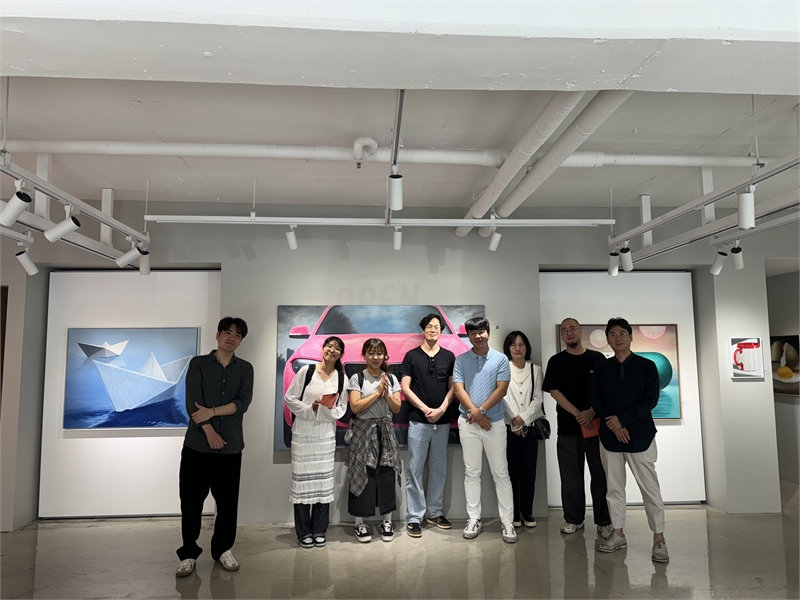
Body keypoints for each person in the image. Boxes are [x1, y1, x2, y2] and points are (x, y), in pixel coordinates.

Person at [176, 317, 254, 577]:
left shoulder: (245, 369)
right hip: (197, 446)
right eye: (228, 332)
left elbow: (242, 403)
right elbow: (192, 403)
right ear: (218, 335)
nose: (232, 338)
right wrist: (209, 430)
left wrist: (211, 412)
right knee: (191, 503)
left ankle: (222, 549)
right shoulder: (198, 364)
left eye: (237, 335)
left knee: (228, 505)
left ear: (241, 341)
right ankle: (188, 553)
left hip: (230, 447)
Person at [590, 317, 669, 563]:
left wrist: (622, 420)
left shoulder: (647, 366)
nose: (618, 338)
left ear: (631, 336)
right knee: (614, 489)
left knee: (650, 489)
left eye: (622, 333)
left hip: (641, 436)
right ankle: (618, 534)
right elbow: (596, 398)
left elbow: (650, 400)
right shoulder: (602, 368)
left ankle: (659, 538)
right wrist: (614, 424)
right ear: (608, 339)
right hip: (610, 437)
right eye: (613, 335)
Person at [542, 318, 612, 539]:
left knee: (600, 476)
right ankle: (574, 519)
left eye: (572, 329)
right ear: (561, 335)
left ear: (581, 332)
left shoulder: (597, 359)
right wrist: (578, 414)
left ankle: (604, 521)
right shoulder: (556, 361)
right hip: (568, 428)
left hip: (597, 428)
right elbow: (554, 391)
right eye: (564, 330)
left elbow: (605, 390)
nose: (569, 333)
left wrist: (591, 411)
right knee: (571, 477)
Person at [453, 316, 516, 544]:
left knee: (501, 473)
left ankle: (507, 522)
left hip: (494, 422)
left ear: (488, 333)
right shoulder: (461, 360)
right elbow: (458, 389)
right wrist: (475, 413)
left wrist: (481, 411)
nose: (478, 336)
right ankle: (474, 519)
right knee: (472, 472)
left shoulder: (500, 359)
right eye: (473, 333)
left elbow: (502, 389)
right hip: (468, 422)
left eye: (481, 332)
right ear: (468, 336)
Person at [284, 336, 348, 549]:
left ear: (340, 354)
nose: (332, 350)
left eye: (337, 348)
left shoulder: (342, 378)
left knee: (323, 484)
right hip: (303, 435)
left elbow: (342, 408)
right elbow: (290, 398)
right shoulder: (307, 371)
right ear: (322, 349)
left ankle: (319, 529)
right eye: (329, 346)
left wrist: (324, 411)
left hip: (325, 437)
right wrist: (309, 409)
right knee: (302, 484)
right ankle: (303, 532)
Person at [400, 313, 457, 537]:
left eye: (437, 327)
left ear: (441, 331)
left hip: (442, 421)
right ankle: (414, 517)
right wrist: (425, 409)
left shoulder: (449, 356)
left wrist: (441, 409)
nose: (433, 330)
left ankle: (435, 513)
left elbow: (453, 388)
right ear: (423, 330)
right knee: (414, 469)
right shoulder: (411, 356)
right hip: (418, 420)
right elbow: (405, 387)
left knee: (439, 468)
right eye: (430, 327)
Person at [345, 338, 402, 543]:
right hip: (363, 432)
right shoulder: (357, 378)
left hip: (385, 431)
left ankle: (387, 521)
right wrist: (378, 393)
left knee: (387, 474)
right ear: (364, 355)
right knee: (362, 473)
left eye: (379, 353)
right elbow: (355, 407)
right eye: (371, 353)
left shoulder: (392, 379)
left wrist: (387, 395)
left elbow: (396, 408)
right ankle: (359, 523)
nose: (375, 357)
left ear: (385, 356)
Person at [502, 331, 544, 530]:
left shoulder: (536, 370)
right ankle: (514, 512)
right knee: (511, 471)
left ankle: (527, 511)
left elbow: (538, 399)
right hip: (508, 428)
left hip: (530, 428)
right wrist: (514, 421)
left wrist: (523, 419)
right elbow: (502, 396)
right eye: (513, 345)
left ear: (527, 347)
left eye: (521, 344)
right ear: (508, 348)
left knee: (529, 471)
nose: (517, 348)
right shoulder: (503, 368)